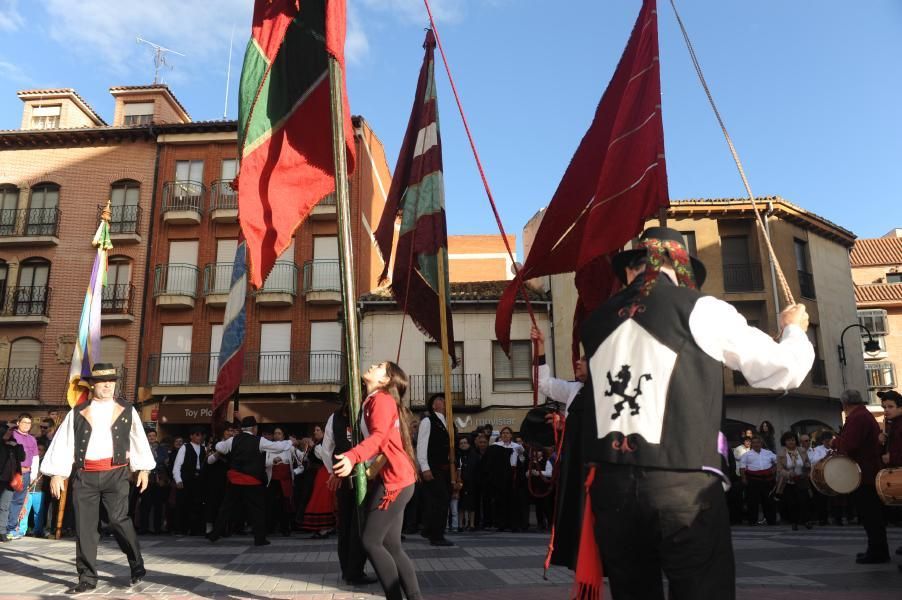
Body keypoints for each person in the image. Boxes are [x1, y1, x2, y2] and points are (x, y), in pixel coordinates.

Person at [571, 227, 813, 600]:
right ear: (680, 268)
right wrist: (793, 330)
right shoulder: (701, 308)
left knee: (633, 592)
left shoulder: (596, 321)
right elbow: (784, 369)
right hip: (683, 484)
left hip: (611, 487)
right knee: (702, 589)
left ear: (631, 270)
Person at [40, 364, 155, 593]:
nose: (107, 386)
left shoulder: (127, 409)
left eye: (111, 381)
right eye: (103, 382)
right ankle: (87, 578)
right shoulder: (78, 412)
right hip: (85, 476)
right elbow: (64, 443)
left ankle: (136, 563)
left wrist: (143, 468)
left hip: (117, 473)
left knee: (117, 520)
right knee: (85, 527)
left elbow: (138, 439)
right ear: (93, 384)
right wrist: (57, 473)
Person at [334, 361, 422, 600]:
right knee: (392, 546)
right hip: (399, 479)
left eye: (380, 366)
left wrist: (353, 456)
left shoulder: (381, 400)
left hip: (396, 482)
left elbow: (379, 437)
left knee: (370, 541)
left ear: (385, 381)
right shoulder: (375, 399)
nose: (373, 365)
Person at [207, 416, 300, 547]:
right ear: (254, 428)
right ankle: (259, 539)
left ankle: (214, 534)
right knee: (257, 510)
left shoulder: (233, 440)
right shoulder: (259, 441)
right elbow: (277, 447)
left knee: (226, 508)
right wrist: (290, 442)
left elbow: (219, 447)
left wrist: (226, 444)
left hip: (235, 480)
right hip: (252, 481)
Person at [320, 396, 378, 586]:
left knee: (347, 525)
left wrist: (334, 471)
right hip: (359, 476)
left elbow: (327, 449)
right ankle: (353, 571)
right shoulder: (364, 415)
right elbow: (372, 445)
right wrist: (367, 471)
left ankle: (349, 570)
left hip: (344, 475)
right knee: (355, 525)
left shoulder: (334, 417)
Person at [830, 389, 889, 563]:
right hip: (868, 472)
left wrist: (835, 442)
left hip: (865, 474)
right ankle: (876, 549)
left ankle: (877, 552)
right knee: (872, 515)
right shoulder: (863, 415)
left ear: (845, 403)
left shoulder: (857, 418)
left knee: (870, 515)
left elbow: (851, 445)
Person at [416, 393, 454, 546]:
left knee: (437, 500)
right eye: (440, 400)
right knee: (440, 500)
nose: (444, 402)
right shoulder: (428, 421)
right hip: (433, 467)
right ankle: (437, 535)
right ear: (433, 405)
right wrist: (424, 467)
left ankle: (429, 529)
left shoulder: (448, 422)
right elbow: (422, 445)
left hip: (445, 468)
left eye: (445, 400)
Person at [532, 325, 586, 413]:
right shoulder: (575, 389)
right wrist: (540, 345)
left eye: (584, 360)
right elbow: (543, 383)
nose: (578, 362)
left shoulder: (609, 394)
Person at [878, 390, 902, 567]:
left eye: (890, 407)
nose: (886, 410)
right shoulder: (892, 424)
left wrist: (891, 458)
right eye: (884, 407)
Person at [4, 413, 37, 540]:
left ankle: (11, 528)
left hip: (26, 473)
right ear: (18, 423)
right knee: (6, 500)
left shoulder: (32, 439)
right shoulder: (11, 435)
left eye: (29, 423)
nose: (26, 425)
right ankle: (3, 527)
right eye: (24, 422)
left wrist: (34, 473)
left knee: (19, 501)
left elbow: (35, 457)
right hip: (12, 472)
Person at [302, 425, 337, 537]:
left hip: (326, 472)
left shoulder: (325, 443)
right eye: (314, 430)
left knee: (323, 499)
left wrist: (314, 447)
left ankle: (326, 527)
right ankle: (324, 527)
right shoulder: (319, 443)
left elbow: (325, 457)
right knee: (320, 498)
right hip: (320, 473)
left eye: (318, 430)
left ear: (323, 432)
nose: (315, 432)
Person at [172, 426, 206, 535]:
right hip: (186, 478)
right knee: (183, 505)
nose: (199, 437)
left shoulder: (203, 449)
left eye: (201, 435)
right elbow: (177, 465)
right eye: (197, 434)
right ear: (191, 436)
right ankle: (181, 529)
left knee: (196, 504)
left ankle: (195, 529)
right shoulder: (185, 447)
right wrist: (178, 479)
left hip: (198, 479)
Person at [776, 431, 811, 531]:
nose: (791, 442)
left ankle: (807, 521)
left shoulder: (802, 450)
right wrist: (788, 474)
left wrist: (807, 467)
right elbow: (779, 469)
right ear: (784, 442)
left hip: (802, 479)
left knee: (804, 501)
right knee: (792, 503)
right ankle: (794, 522)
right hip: (788, 482)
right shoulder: (781, 453)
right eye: (788, 440)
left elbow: (807, 462)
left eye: (793, 439)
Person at [740, 436, 778, 526]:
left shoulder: (768, 453)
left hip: (768, 480)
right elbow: (742, 468)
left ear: (761, 443)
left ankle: (771, 520)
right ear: (751, 444)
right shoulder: (746, 455)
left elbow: (778, 461)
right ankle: (752, 521)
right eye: (754, 442)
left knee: (769, 501)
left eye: (758, 442)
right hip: (753, 480)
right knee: (753, 502)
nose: (756, 444)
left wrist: (774, 469)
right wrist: (744, 478)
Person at [265, 427, 294, 536]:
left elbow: (301, 463)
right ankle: (270, 527)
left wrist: (294, 473)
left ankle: (285, 528)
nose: (277, 435)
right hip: (272, 481)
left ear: (283, 436)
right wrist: (273, 461)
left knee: (285, 505)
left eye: (279, 433)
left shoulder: (289, 448)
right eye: (275, 433)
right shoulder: (268, 448)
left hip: (285, 482)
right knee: (271, 505)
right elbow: (265, 463)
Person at [0, 423, 26, 541]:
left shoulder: (14, 444)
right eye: (8, 429)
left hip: (9, 480)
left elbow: (22, 457)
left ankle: (2, 531)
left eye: (12, 430)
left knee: (5, 507)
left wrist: (16, 446)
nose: (10, 432)